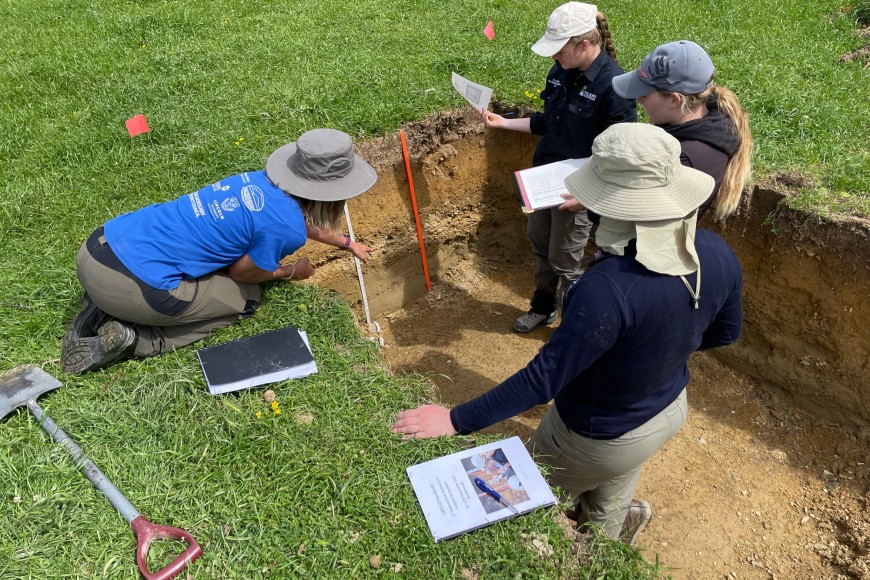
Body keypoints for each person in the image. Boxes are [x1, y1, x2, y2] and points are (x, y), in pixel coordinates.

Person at [392, 123, 743, 545]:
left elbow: (544, 378)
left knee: (531, 505)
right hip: (665, 410)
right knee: (614, 483)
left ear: (614, 205)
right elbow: (723, 333)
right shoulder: (716, 251)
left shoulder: (607, 288)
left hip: (593, 434)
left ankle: (565, 554)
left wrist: (455, 418)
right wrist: (655, 352)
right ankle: (607, 547)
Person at [60, 128, 377, 374]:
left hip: (98, 248)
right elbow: (242, 271)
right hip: (134, 287)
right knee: (248, 298)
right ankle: (135, 339)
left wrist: (347, 243)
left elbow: (297, 219)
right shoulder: (286, 229)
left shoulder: (257, 182)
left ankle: (103, 303)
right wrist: (292, 271)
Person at [480, 2, 636, 333]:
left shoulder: (615, 87)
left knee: (567, 258)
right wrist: (504, 124)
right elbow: (549, 122)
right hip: (544, 181)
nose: (553, 57)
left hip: (578, 188)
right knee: (541, 244)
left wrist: (590, 194)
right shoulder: (560, 70)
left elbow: (620, 153)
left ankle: (575, 326)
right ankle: (543, 305)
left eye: (558, 49)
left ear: (584, 44)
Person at [611, 40, 753, 220]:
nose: (638, 99)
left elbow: (635, 219)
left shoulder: (686, 159)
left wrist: (593, 201)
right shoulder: (709, 123)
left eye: (645, 94)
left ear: (674, 100)